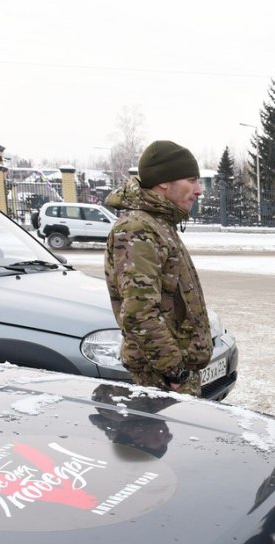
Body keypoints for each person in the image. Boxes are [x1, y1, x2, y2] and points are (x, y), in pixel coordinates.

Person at [104, 140, 212, 396]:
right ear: (164, 182)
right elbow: (138, 314)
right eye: (191, 181)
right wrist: (175, 373)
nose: (198, 191)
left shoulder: (158, 224)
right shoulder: (137, 230)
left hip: (170, 375)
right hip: (161, 379)